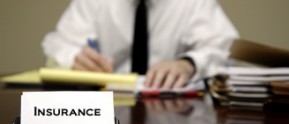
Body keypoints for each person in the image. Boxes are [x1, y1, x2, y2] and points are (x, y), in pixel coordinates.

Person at [42, 0, 238, 89]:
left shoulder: (195, 3)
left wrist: (189, 63)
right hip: (105, 107)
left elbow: (228, 50)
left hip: (173, 113)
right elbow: (57, 42)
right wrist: (75, 58)